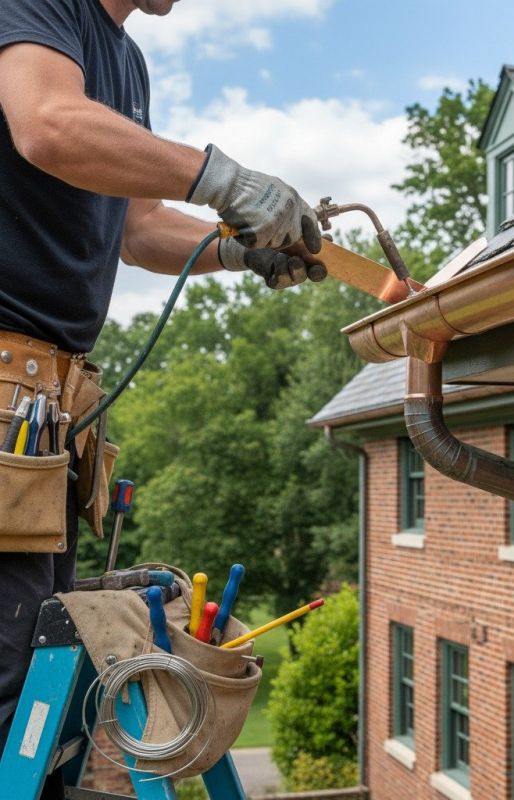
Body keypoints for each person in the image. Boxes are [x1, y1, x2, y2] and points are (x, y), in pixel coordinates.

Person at [0, 0, 323, 788]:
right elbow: (46, 123)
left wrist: (239, 251)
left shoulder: (125, 61)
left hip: (50, 412)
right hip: (7, 387)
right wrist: (224, 177)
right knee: (8, 677)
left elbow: (138, 227)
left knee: (44, 678)